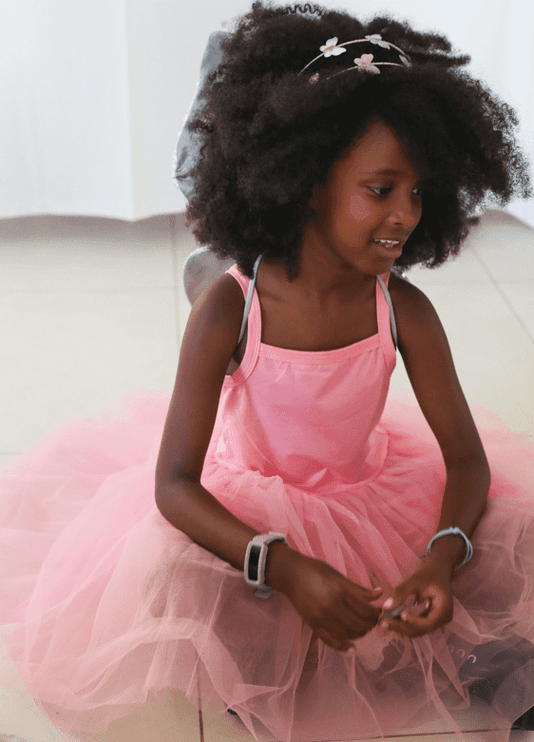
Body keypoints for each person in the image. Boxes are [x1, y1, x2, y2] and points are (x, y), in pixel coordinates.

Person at [1, 2, 533, 741]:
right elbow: (173, 485)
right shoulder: (230, 310)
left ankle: (456, 649)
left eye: (417, 192)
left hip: (370, 495)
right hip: (252, 511)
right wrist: (281, 565)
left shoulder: (403, 309)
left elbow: (468, 462)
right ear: (308, 182)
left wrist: (441, 561)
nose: (406, 215)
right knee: (196, 588)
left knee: (497, 542)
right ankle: (275, 654)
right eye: (381, 190)